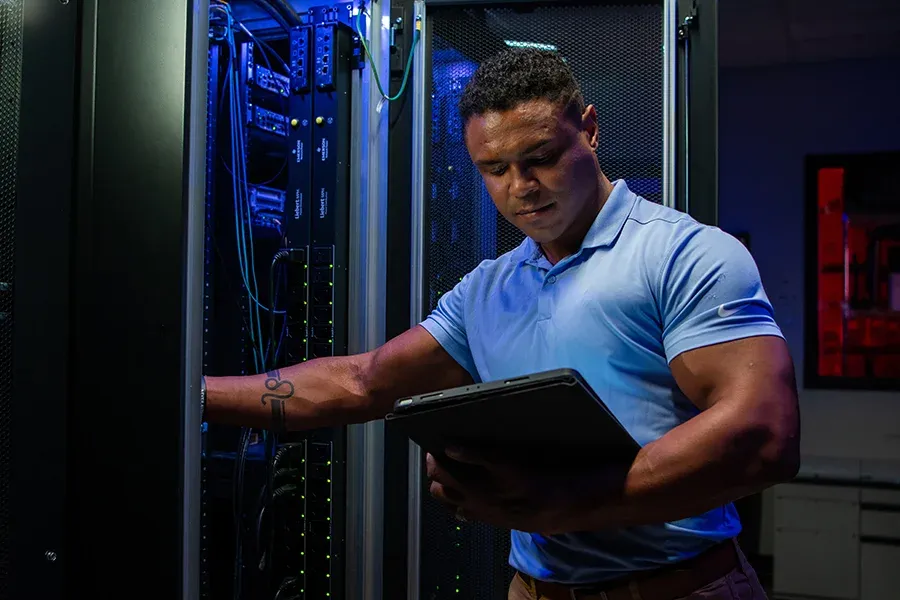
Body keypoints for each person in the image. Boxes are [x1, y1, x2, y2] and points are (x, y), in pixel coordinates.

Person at [205, 49, 799, 600]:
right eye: (494, 168)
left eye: (540, 158)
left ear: (589, 130)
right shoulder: (488, 288)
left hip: (680, 588)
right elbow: (362, 382)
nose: (521, 187)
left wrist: (566, 503)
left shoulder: (684, 254)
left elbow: (765, 433)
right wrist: (192, 397)